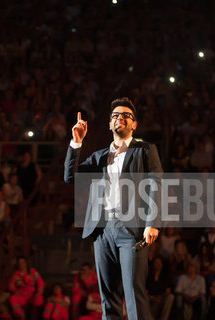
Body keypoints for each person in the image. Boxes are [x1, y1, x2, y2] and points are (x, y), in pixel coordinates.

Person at [64, 97, 163, 320]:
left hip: (133, 229)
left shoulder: (145, 150)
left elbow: (156, 186)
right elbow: (70, 177)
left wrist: (152, 223)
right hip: (102, 229)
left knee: (133, 293)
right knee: (108, 297)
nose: (120, 118)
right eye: (116, 115)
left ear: (134, 125)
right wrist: (76, 143)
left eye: (126, 115)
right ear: (109, 124)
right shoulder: (98, 157)